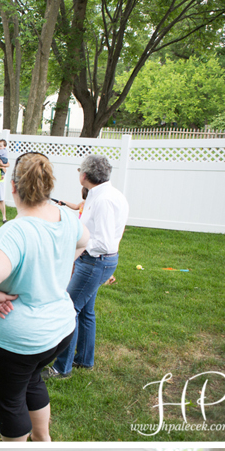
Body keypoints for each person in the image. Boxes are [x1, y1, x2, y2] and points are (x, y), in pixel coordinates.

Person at [0, 151, 88, 442]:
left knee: (9, 402)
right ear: (49, 187)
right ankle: (42, 439)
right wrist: (55, 266)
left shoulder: (15, 232)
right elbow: (85, 242)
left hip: (18, 340)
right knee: (32, 378)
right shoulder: (67, 217)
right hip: (58, 332)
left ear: (13, 187)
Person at [47, 154, 129, 378]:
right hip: (95, 260)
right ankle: (84, 359)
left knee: (69, 310)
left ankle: (61, 368)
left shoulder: (104, 199)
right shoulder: (100, 194)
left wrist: (74, 248)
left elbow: (102, 242)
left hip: (94, 261)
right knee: (86, 312)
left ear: (84, 175)